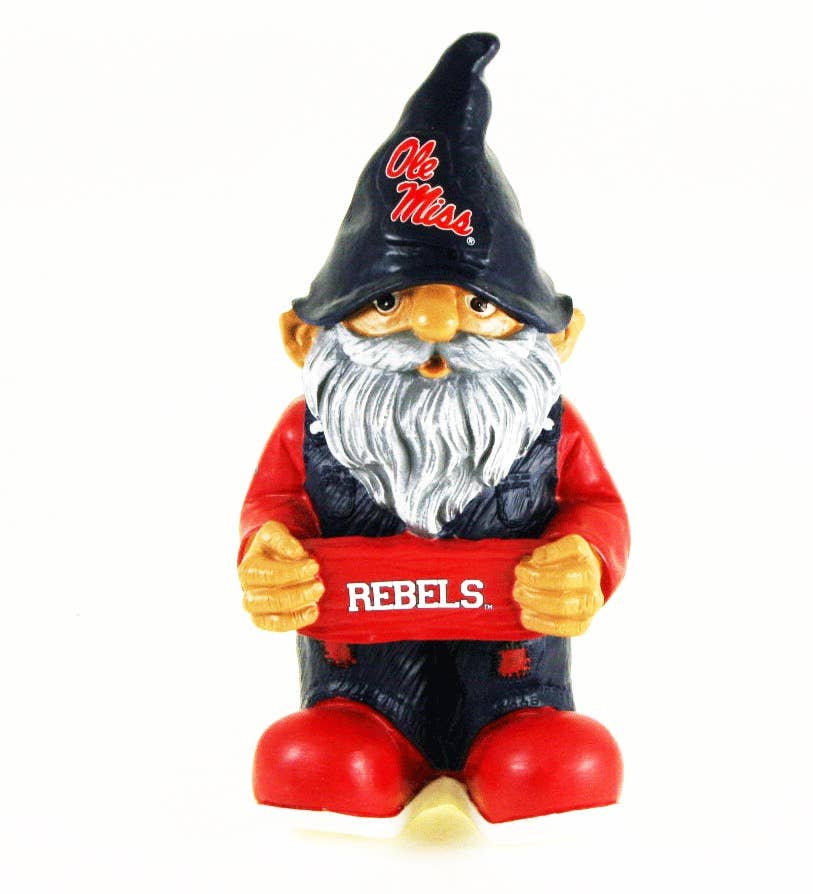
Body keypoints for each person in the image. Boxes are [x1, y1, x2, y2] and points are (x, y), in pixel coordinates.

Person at [237, 34, 630, 825]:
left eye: (480, 306)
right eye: (387, 304)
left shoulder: (550, 430)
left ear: (558, 340)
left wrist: (586, 558)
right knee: (320, 758)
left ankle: (518, 739)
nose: (438, 330)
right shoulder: (309, 430)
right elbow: (276, 505)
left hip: (518, 679)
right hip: (359, 678)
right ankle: (363, 738)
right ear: (303, 339)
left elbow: (597, 508)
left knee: (553, 763)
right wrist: (267, 552)